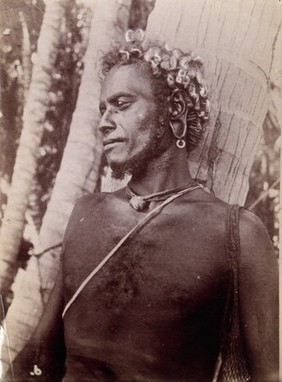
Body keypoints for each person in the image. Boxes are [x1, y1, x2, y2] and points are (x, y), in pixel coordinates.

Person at [9, 29, 278, 382]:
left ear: (175, 109)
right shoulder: (87, 213)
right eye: (103, 109)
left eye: (122, 105)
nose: (105, 122)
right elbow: (42, 352)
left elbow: (271, 375)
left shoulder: (236, 233)